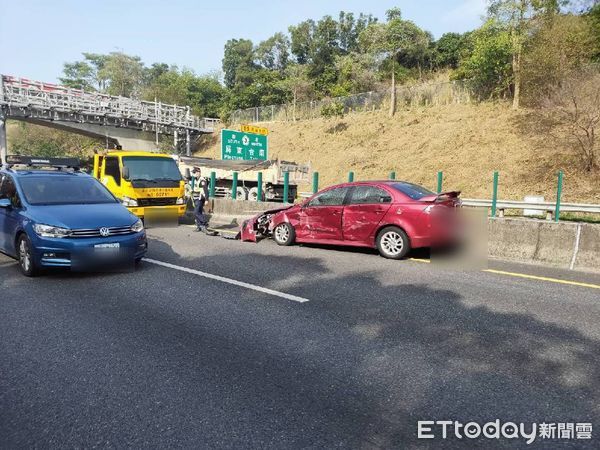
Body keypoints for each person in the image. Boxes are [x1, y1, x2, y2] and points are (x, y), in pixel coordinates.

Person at [191, 167, 210, 233]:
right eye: (193, 172)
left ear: (199, 172)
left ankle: (205, 222)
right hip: (196, 198)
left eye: (195, 172)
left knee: (196, 212)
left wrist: (207, 199)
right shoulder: (196, 180)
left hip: (200, 199)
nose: (194, 174)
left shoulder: (202, 181)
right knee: (198, 213)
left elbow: (206, 191)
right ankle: (199, 226)